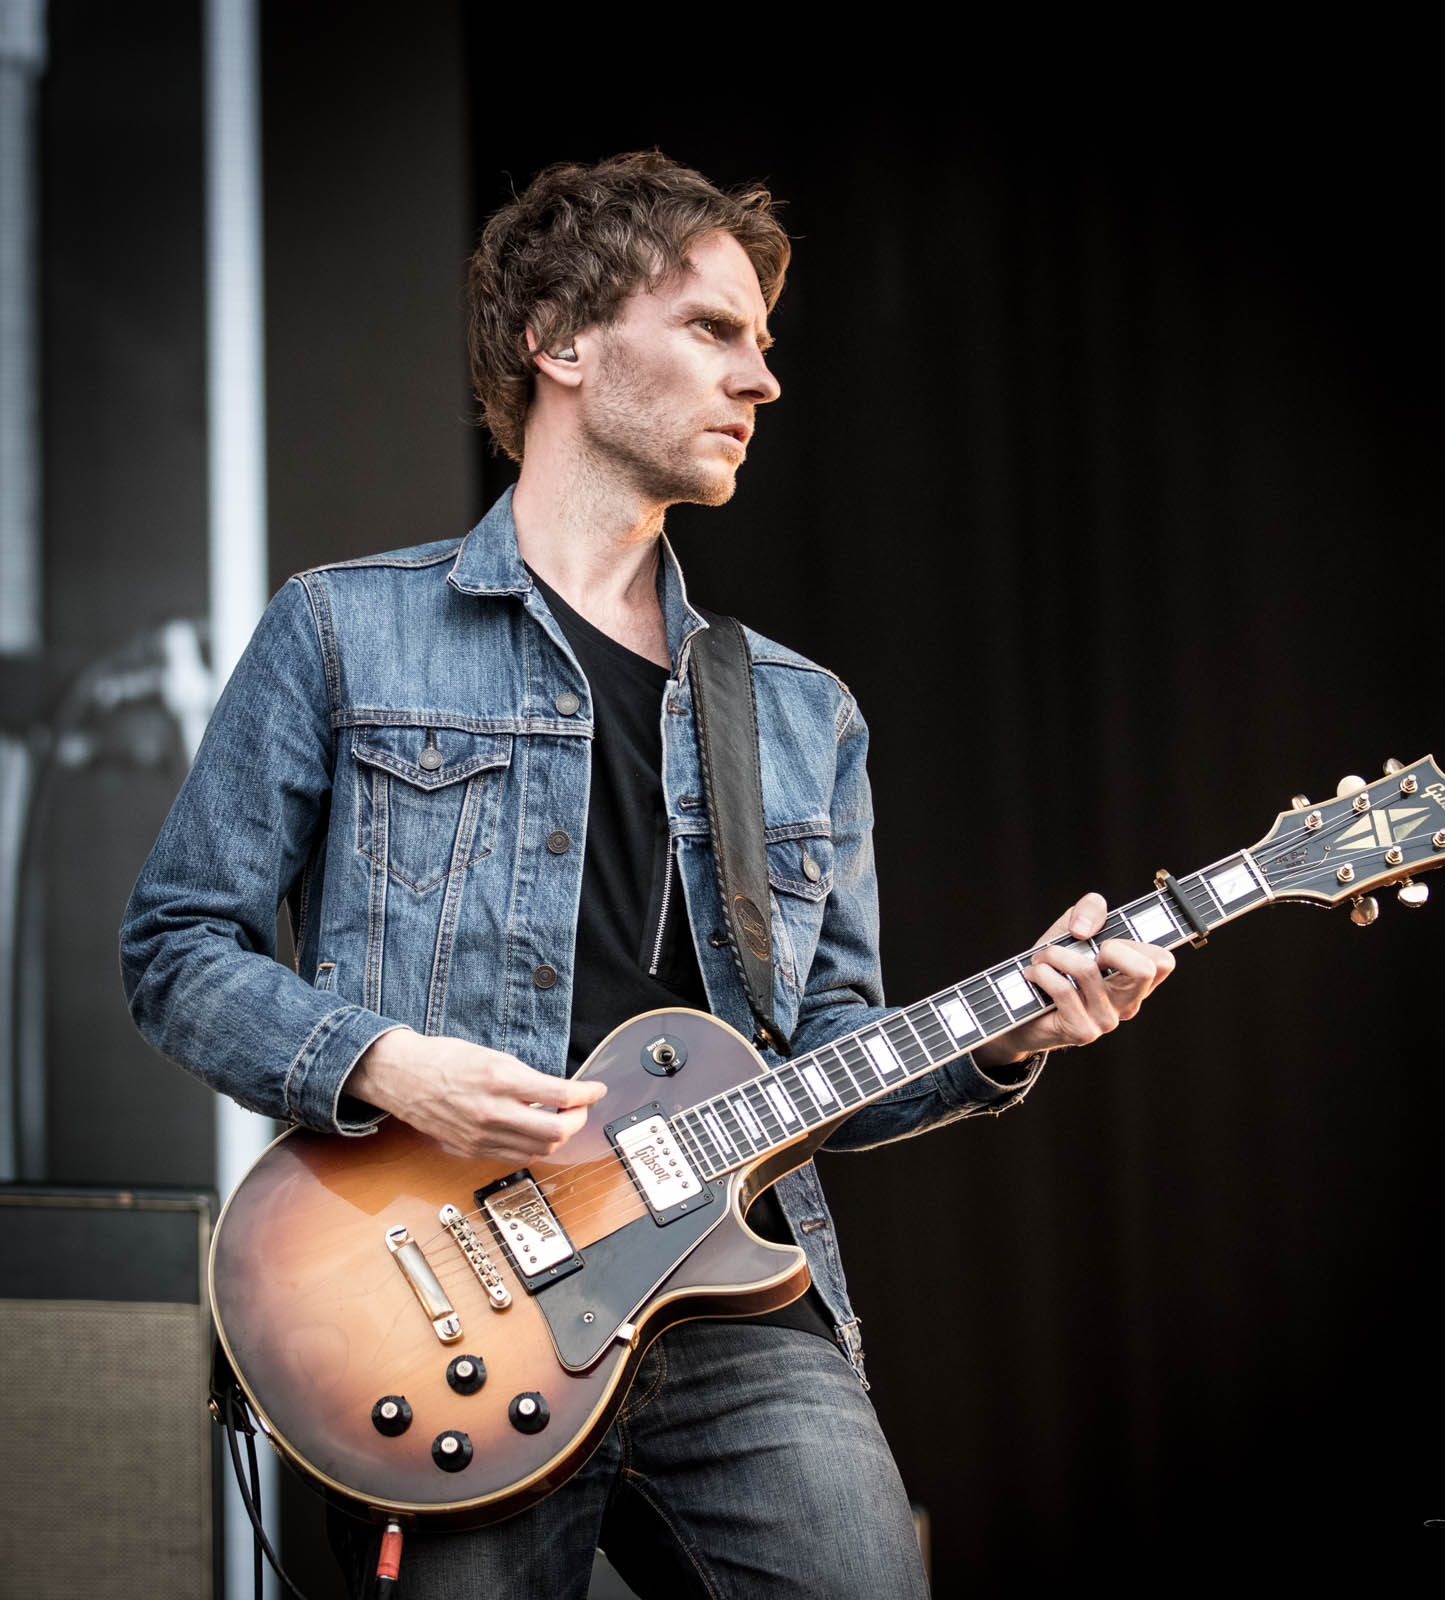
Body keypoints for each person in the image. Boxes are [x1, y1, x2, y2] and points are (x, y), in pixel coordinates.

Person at [121, 151, 1175, 1599]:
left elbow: (829, 1064)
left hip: (729, 1307)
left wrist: (1015, 1034)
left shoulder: (804, 716)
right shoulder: (342, 634)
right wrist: (382, 1065)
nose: (763, 381)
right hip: (445, 1314)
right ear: (560, 338)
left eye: (764, 345)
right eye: (712, 330)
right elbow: (175, 945)